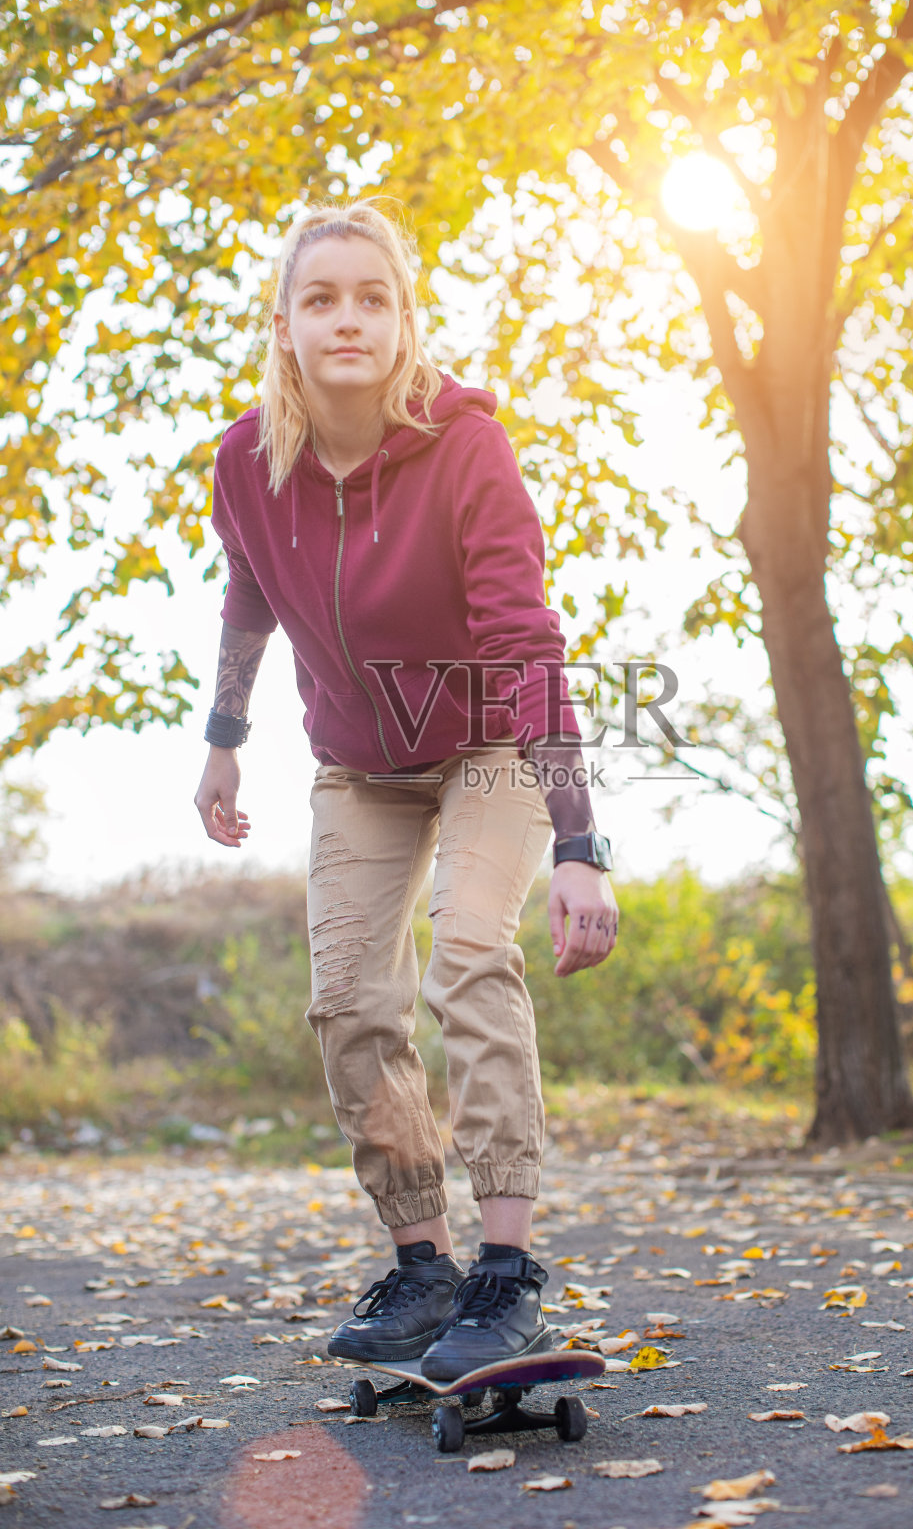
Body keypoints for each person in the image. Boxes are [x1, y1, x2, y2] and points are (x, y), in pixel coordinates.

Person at [193, 198, 618, 1378]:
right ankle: (422, 1265)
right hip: (359, 767)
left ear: (403, 320)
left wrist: (577, 844)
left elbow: (525, 644)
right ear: (283, 324)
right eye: (321, 298)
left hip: (488, 746)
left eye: (372, 298)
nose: (348, 319)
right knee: (348, 1002)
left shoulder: (465, 448)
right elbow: (247, 598)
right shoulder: (247, 463)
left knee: (469, 953)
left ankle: (505, 1269)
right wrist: (224, 737)